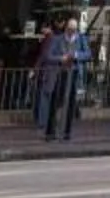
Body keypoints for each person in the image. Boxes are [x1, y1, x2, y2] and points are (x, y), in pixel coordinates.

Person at [36, 12, 87, 141]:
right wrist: (60, 59)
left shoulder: (81, 39)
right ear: (66, 28)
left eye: (74, 30)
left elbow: (87, 54)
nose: (72, 32)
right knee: (54, 103)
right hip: (58, 74)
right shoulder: (57, 39)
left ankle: (66, 132)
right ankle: (51, 132)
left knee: (69, 104)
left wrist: (76, 55)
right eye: (70, 29)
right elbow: (48, 56)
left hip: (72, 75)